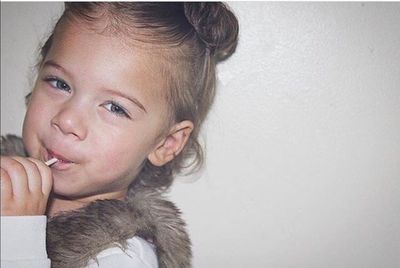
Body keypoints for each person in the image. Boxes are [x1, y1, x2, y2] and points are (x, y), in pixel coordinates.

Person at [0, 2, 238, 268]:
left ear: (166, 143)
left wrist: (17, 239)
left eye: (115, 108)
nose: (66, 120)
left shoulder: (121, 256)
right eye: (60, 83)